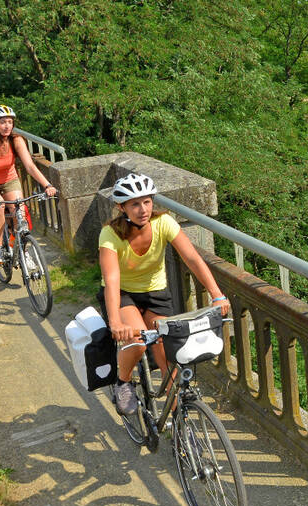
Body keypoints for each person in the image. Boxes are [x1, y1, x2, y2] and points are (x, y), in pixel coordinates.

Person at [98, 172, 229, 417]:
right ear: (121, 207)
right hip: (124, 294)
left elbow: (191, 258)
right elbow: (112, 279)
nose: (142, 209)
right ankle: (123, 382)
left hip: (156, 293)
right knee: (137, 341)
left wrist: (217, 294)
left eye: (147, 201)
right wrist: (115, 321)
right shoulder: (110, 234)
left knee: (169, 357)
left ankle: (180, 422)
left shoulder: (164, 223)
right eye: (135, 204)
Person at [0, 105, 57, 264]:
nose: (7, 126)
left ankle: (23, 252)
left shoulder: (16, 140)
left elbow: (30, 166)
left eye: (10, 122)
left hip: (9, 180)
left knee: (20, 210)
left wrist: (47, 185)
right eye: (3, 122)